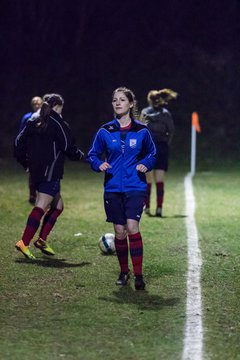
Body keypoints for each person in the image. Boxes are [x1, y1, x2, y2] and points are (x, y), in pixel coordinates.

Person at [88, 87, 156, 290]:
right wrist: (97, 164)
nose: (118, 103)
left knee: (132, 227)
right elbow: (92, 154)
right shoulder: (104, 131)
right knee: (119, 232)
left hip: (135, 186)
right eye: (115, 100)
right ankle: (123, 272)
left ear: (131, 104)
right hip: (112, 188)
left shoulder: (142, 130)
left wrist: (146, 163)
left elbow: (152, 153)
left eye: (122, 100)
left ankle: (139, 275)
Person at [14, 93, 84, 259]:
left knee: (58, 206)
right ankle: (24, 242)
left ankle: (42, 240)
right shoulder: (57, 122)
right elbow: (68, 146)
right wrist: (83, 157)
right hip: (50, 172)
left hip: (36, 172)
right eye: (61, 108)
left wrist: (25, 163)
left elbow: (18, 143)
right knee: (41, 206)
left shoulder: (32, 121)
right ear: (57, 107)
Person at [140, 88, 178, 217]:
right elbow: (171, 130)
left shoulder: (145, 113)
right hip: (161, 147)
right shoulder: (165, 113)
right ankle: (159, 208)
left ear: (149, 100)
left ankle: (147, 207)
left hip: (148, 148)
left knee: (148, 179)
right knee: (160, 179)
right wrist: (166, 143)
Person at [19, 96, 43, 204]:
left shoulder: (46, 117)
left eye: (38, 103)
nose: (36, 105)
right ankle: (32, 196)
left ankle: (43, 195)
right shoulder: (27, 118)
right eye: (34, 103)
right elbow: (22, 134)